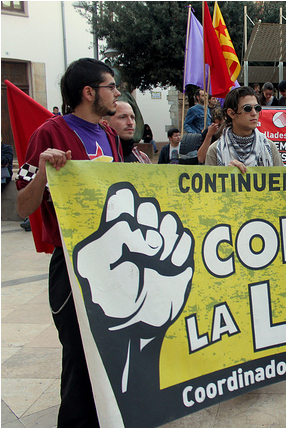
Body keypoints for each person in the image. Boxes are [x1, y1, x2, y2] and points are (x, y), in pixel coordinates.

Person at [15, 57, 123, 426]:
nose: (117, 92)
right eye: (112, 86)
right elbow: (21, 204)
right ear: (89, 92)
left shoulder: (109, 134)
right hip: (73, 266)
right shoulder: (49, 133)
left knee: (111, 354)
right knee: (79, 359)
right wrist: (44, 173)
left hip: (112, 261)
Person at [205, 86, 283, 171]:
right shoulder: (215, 151)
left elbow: (282, 180)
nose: (254, 113)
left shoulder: (269, 147)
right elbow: (210, 183)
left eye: (257, 108)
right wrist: (226, 174)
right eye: (247, 109)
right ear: (232, 113)